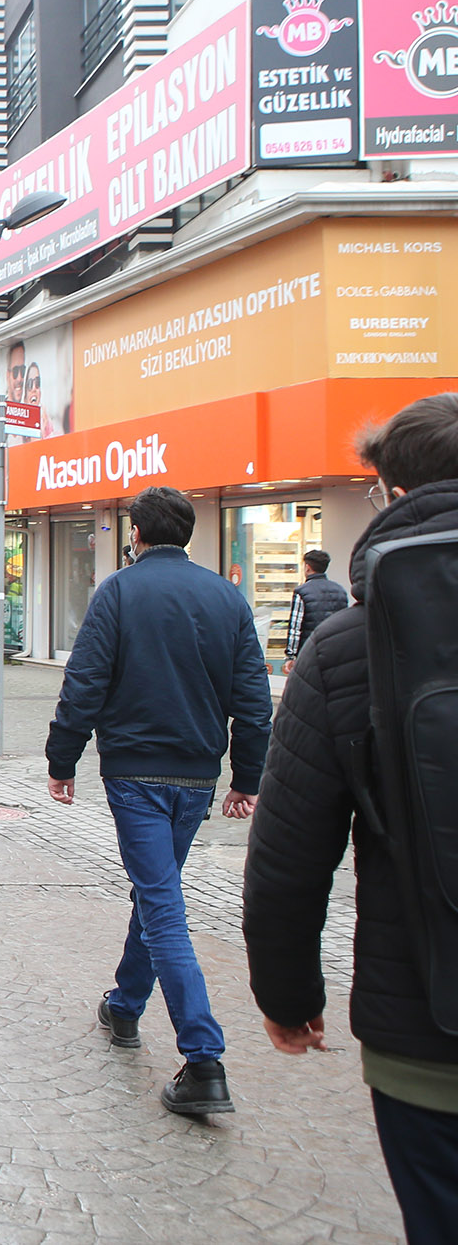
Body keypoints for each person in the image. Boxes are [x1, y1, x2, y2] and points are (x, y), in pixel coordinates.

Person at [244, 394, 458, 1240]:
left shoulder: (346, 651)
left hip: (425, 1034)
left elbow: (292, 857)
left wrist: (288, 997)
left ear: (393, 494)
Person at [46, 484, 271, 1118]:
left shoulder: (118, 591)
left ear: (136, 537)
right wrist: (246, 776)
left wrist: (62, 759)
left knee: (163, 904)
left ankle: (204, 1059)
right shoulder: (227, 597)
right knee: (159, 888)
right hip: (197, 775)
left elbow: (84, 681)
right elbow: (254, 701)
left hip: (135, 773)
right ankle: (124, 1005)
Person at [282, 548, 348, 673]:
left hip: (309, 651)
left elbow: (295, 628)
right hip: (335, 652)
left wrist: (290, 655)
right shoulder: (340, 590)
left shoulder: (301, 592)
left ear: (307, 567)